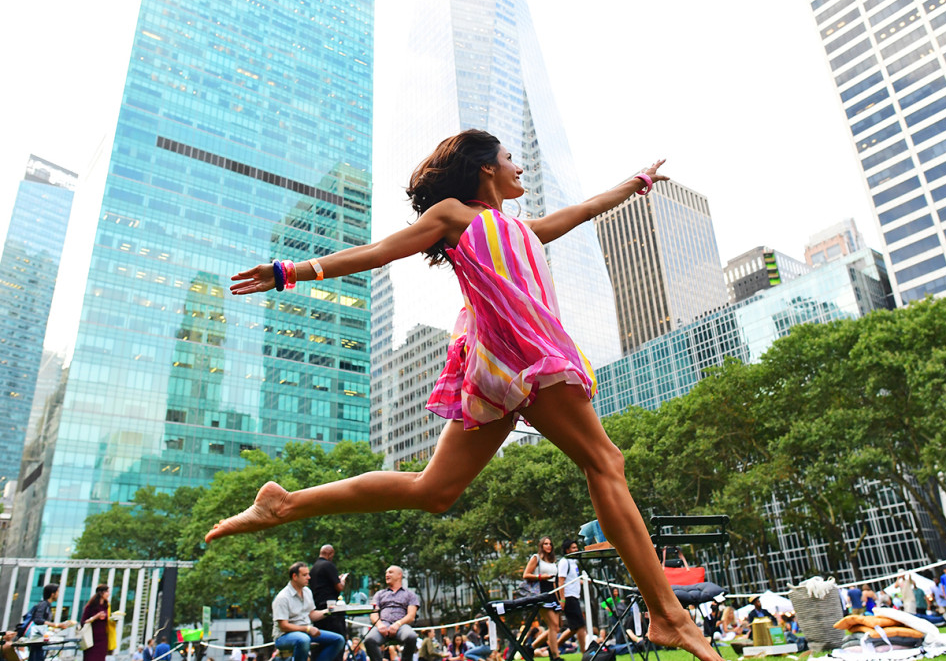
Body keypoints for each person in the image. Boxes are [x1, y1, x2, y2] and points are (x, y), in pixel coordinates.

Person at [206, 130, 722, 661]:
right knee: (605, 461)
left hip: (503, 365)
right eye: (508, 158)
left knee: (436, 489)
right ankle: (667, 615)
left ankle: (284, 504)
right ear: (484, 169)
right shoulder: (457, 214)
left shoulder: (522, 230)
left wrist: (637, 182)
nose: (517, 166)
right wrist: (290, 272)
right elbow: (382, 251)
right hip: (521, 358)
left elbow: (588, 207)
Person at [271, 562, 345, 661]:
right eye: (305, 575)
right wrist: (307, 629)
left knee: (339, 640)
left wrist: (330, 611)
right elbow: (283, 626)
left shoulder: (307, 592)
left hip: (305, 633)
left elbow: (311, 614)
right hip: (284, 637)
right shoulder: (283, 597)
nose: (309, 577)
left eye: (308, 574)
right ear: (295, 576)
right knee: (303, 640)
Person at [365, 566, 419, 661]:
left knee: (412, 636)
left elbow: (411, 616)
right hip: (383, 624)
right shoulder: (379, 594)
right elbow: (373, 613)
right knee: (369, 640)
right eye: (386, 573)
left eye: (390, 572)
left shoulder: (410, 594)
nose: (387, 575)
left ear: (399, 575)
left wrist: (398, 624)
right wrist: (379, 625)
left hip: (402, 625)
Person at [523, 536, 561, 660]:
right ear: (541, 546)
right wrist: (541, 577)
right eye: (545, 544)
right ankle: (555, 656)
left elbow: (555, 580)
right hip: (540, 591)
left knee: (555, 627)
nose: (548, 546)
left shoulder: (553, 561)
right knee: (552, 625)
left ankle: (531, 647)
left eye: (550, 544)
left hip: (552, 592)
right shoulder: (536, 558)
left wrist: (559, 597)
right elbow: (526, 574)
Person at [25, 583, 75, 661]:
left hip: (40, 638)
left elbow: (43, 624)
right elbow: (38, 620)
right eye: (57, 592)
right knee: (36, 657)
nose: (58, 594)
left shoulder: (47, 605)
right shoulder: (44, 604)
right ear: (52, 594)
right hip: (36, 638)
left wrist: (56, 628)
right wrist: (57, 625)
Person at [311, 545, 349, 639]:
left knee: (321, 639)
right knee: (339, 638)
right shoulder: (328, 565)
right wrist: (342, 581)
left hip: (317, 609)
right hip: (331, 609)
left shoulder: (313, 568)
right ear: (330, 554)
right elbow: (339, 587)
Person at [556, 540, 587, 653]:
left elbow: (574, 580)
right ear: (567, 550)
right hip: (569, 597)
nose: (576, 550)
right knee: (580, 626)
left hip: (575, 596)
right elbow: (561, 581)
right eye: (573, 548)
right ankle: (584, 652)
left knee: (574, 628)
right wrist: (562, 598)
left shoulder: (574, 562)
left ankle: (554, 646)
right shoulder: (564, 562)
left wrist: (584, 582)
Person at [80, 585, 111, 661]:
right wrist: (95, 617)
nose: (109, 594)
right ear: (101, 593)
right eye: (107, 591)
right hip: (91, 639)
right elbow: (83, 622)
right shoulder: (91, 606)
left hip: (103, 638)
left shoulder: (106, 606)